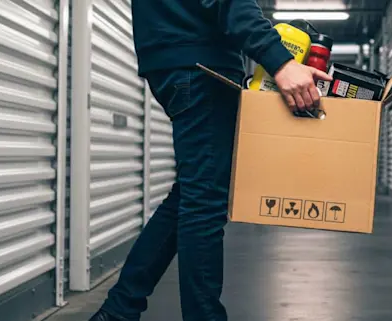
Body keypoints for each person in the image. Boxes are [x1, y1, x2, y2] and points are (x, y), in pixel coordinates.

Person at [88, 1, 331, 320]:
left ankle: (119, 309)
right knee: (203, 202)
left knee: (192, 193)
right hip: (200, 64)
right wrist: (280, 62)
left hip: (177, 56)